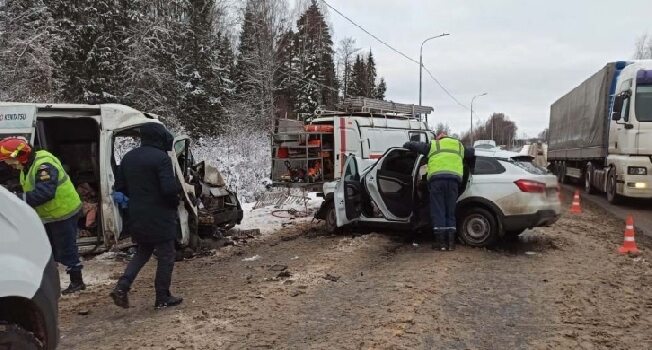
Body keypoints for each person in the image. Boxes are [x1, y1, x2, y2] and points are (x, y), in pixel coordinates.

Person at [110, 123, 183, 309]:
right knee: (166, 255)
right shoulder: (161, 158)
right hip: (160, 215)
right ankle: (162, 296)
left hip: (137, 215)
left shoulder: (128, 158)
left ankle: (122, 287)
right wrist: (175, 202)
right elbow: (168, 189)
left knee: (142, 252)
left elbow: (119, 188)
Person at [0, 137, 86, 293]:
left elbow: (44, 193)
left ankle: (77, 281)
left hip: (63, 212)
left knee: (66, 248)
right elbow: (31, 185)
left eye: (7, 160)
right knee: (49, 250)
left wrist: (14, 199)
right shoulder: (27, 165)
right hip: (48, 215)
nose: (7, 164)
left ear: (19, 156)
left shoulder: (43, 165)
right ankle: (52, 285)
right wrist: (13, 189)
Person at [404, 133, 465, 251]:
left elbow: (416, 146)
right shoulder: (458, 146)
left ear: (439, 138)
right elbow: (471, 152)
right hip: (453, 182)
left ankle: (441, 243)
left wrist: (407, 144)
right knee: (450, 211)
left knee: (439, 211)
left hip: (437, 182)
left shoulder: (434, 145)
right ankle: (451, 244)